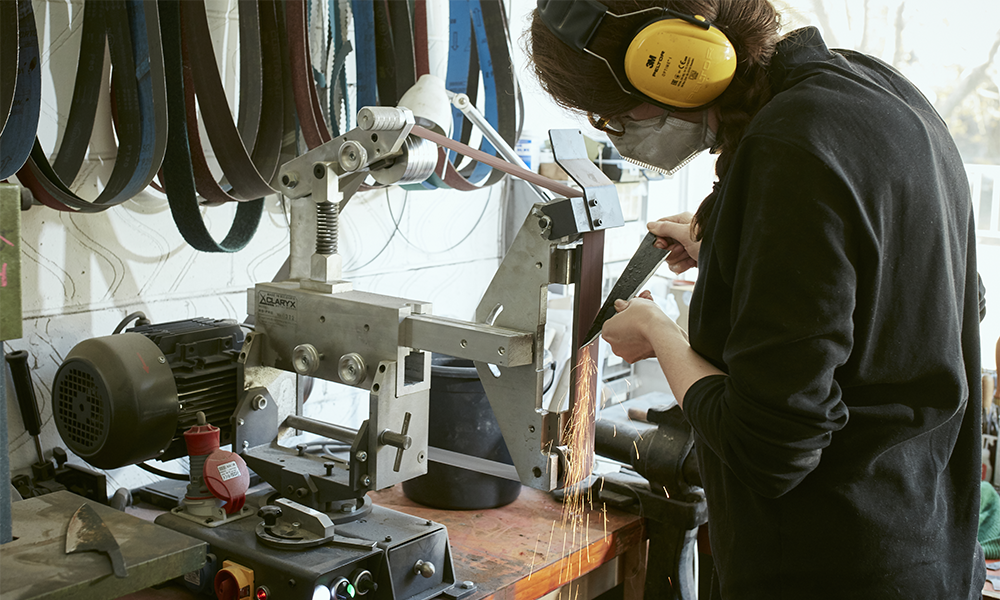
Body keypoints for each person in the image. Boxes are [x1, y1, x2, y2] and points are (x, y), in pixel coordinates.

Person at [530, 0, 985, 598]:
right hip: (931, 553)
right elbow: (937, 294)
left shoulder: (787, 145)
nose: (612, 127)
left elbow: (770, 448)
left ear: (666, 64)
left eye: (611, 113)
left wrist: (659, 334)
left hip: (832, 572)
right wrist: (731, 243)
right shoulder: (867, 84)